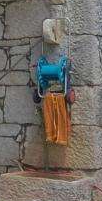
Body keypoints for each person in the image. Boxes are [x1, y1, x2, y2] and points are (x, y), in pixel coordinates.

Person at [31, 17, 73, 166]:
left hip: (54, 75)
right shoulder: (45, 69)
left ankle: (54, 135)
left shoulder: (57, 68)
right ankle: (57, 135)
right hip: (51, 75)